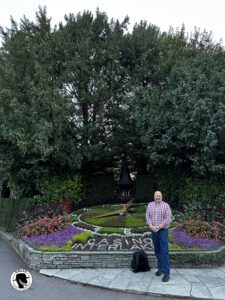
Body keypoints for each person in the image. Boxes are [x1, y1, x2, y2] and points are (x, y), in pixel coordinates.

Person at [146, 191, 172, 282]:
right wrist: (151, 226)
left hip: (163, 231)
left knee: (164, 251)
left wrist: (159, 226)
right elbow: (148, 216)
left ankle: (166, 273)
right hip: (154, 231)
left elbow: (168, 218)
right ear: (154, 196)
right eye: (156, 196)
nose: (158, 197)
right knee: (157, 251)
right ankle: (160, 269)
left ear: (161, 196)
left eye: (159, 196)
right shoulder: (150, 205)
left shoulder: (166, 206)